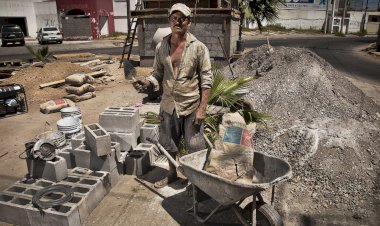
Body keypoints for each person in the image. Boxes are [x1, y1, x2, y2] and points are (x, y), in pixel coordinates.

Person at [134, 3, 213, 188]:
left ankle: (196, 182)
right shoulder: (162, 46)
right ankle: (171, 174)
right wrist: (148, 82)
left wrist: (202, 108)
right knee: (169, 144)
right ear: (169, 21)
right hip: (169, 104)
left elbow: (207, 80)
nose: (178, 22)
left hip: (191, 106)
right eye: (174, 18)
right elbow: (158, 73)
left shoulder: (199, 48)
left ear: (189, 22)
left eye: (182, 18)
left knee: (195, 146)